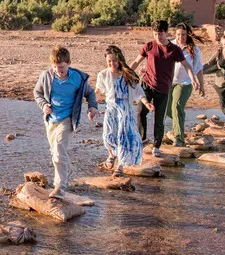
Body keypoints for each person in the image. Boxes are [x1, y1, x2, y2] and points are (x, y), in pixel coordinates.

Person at [33, 46, 100, 198]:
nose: (59, 70)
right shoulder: (46, 76)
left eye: (62, 67)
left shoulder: (77, 78)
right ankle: (66, 171)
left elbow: (90, 94)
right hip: (51, 120)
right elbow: (37, 92)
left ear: (69, 63)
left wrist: (92, 108)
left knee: (58, 150)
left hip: (68, 119)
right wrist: (43, 104)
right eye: (55, 67)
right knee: (55, 152)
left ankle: (60, 187)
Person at [129, 20, 200, 157]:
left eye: (160, 34)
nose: (158, 37)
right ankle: (142, 139)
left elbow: (186, 65)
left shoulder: (174, 49)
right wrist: (125, 74)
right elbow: (136, 61)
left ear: (166, 32)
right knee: (141, 111)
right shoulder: (149, 46)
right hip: (147, 84)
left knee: (159, 118)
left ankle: (156, 145)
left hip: (163, 88)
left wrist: (193, 79)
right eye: (155, 34)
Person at [96, 46, 151, 177]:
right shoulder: (103, 74)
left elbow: (138, 91)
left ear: (120, 59)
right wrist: (94, 103)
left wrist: (146, 103)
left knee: (123, 138)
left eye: (114, 60)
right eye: (109, 61)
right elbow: (98, 90)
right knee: (107, 136)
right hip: (110, 109)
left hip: (125, 110)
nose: (112, 63)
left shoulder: (127, 74)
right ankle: (111, 155)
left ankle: (119, 167)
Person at [166, 23, 205, 147]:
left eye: (183, 35)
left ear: (187, 35)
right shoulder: (170, 45)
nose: (180, 37)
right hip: (169, 82)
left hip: (185, 83)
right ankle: (180, 118)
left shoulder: (194, 49)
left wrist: (202, 85)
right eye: (178, 34)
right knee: (167, 109)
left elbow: (198, 69)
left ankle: (179, 139)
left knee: (176, 106)